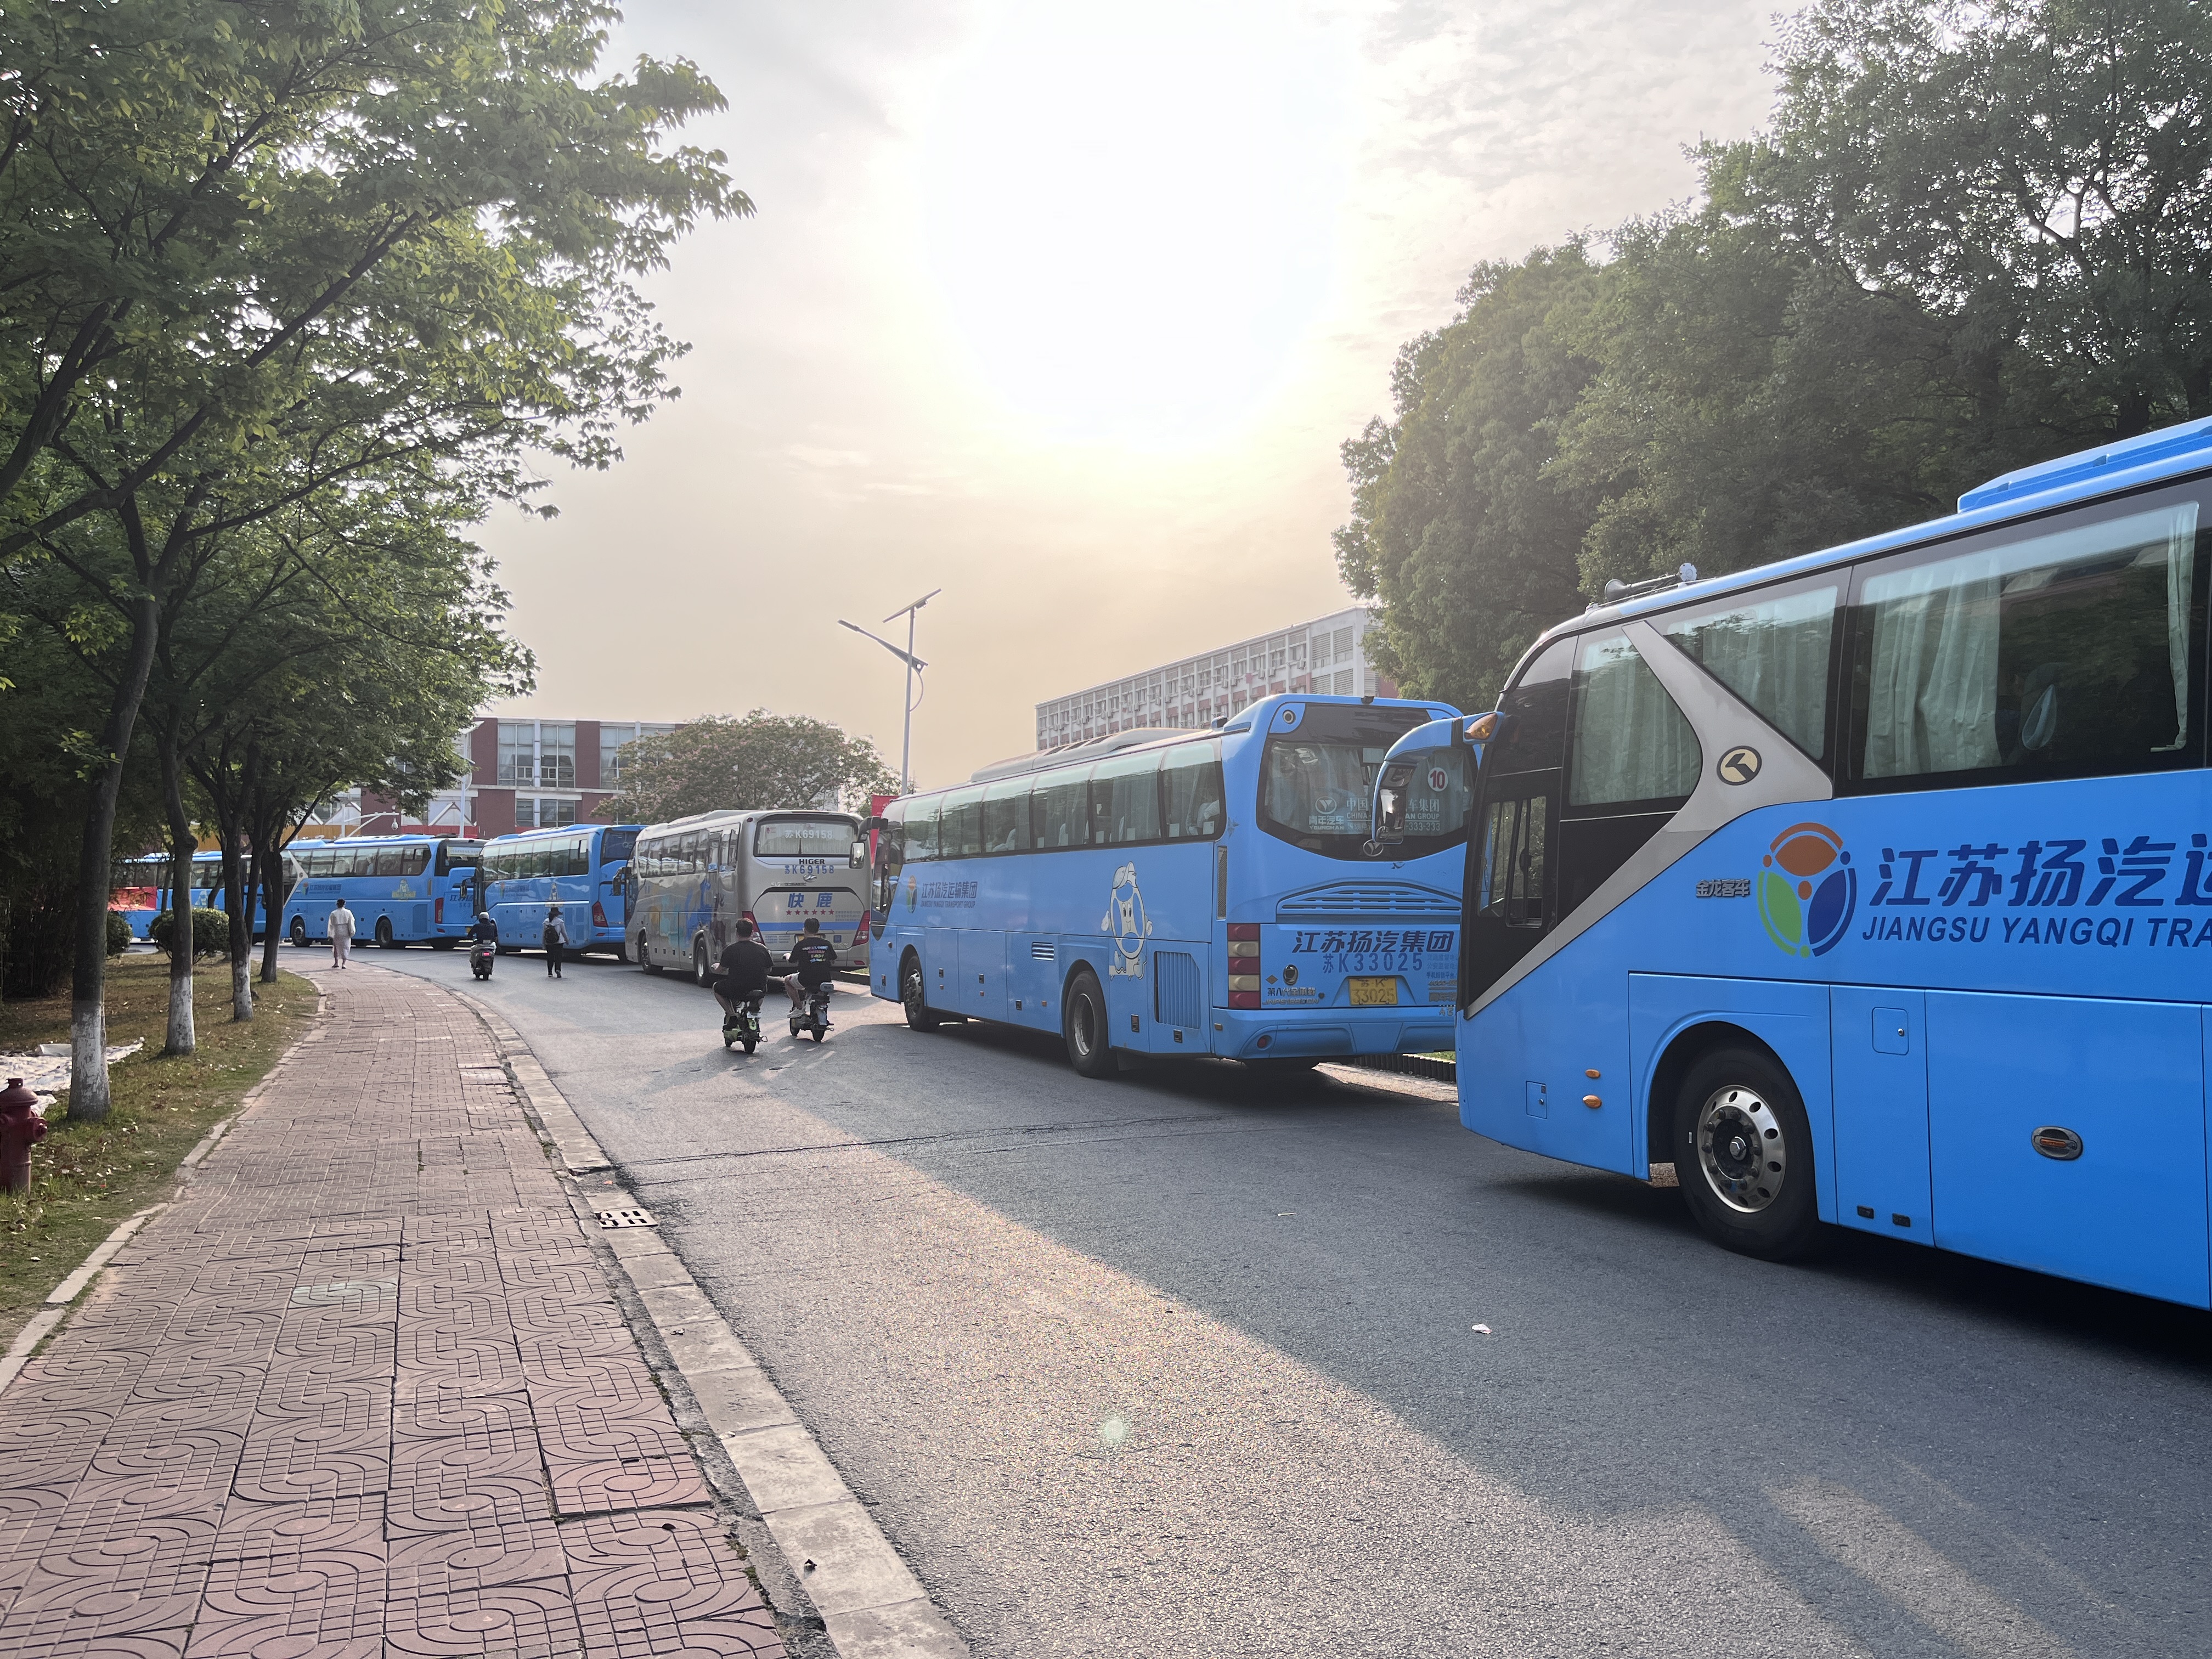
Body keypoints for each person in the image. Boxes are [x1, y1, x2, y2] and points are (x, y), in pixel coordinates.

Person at [713, 918, 774, 1020]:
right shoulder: (762, 949)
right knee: (763, 986)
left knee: (716, 987)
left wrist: (716, 967)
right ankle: (755, 1010)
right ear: (752, 933)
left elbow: (720, 969)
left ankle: (731, 1014)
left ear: (737, 933)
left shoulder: (730, 950)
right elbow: (769, 969)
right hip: (757, 987)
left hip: (736, 989)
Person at [785, 916, 839, 1017]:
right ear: (818, 930)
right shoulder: (826, 944)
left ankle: (799, 1008)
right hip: (825, 979)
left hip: (805, 979)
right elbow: (833, 960)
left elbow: (792, 961)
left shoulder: (801, 945)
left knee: (787, 981)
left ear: (805, 929)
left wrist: (787, 956)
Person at [328, 897, 355, 969]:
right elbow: (351, 923)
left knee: (336, 947)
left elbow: (331, 925)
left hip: (337, 932)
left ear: (337, 904)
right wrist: (352, 932)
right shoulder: (348, 912)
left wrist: (330, 934)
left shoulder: (333, 913)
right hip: (346, 932)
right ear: (344, 904)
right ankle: (344, 964)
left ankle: (336, 963)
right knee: (346, 947)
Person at [543, 904, 569, 978]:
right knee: (558, 957)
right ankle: (558, 969)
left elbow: (544, 934)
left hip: (549, 943)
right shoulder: (560, 922)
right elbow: (564, 933)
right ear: (557, 914)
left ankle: (550, 972)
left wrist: (543, 944)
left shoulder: (546, 922)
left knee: (550, 957)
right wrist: (567, 941)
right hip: (559, 942)